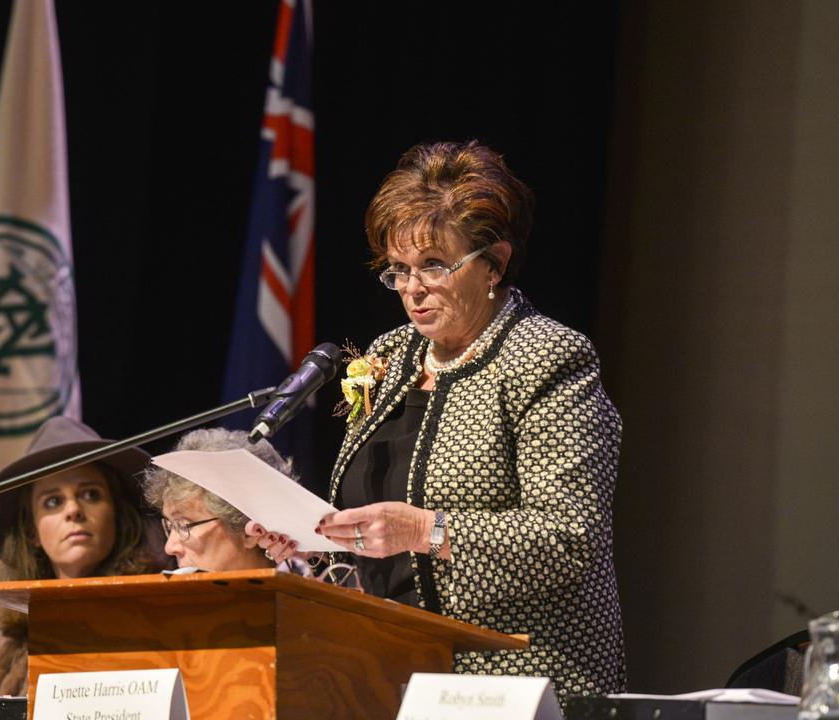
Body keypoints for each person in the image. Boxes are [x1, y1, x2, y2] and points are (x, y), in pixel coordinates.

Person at [252, 140, 626, 703]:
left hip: (514, 681)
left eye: (433, 266)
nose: (411, 290)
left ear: (494, 262)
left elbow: (572, 539)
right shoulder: (392, 354)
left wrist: (426, 531)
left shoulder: (547, 358)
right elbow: (375, 534)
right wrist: (306, 542)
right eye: (397, 271)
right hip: (384, 671)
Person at [0, 416, 167, 706]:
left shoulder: (154, 615)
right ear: (32, 532)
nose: (74, 510)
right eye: (53, 501)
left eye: (91, 494)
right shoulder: (13, 642)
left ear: (117, 516)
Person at [142, 428, 307, 573]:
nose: (170, 548)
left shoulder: (312, 605)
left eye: (184, 525)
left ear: (250, 532)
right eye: (170, 526)